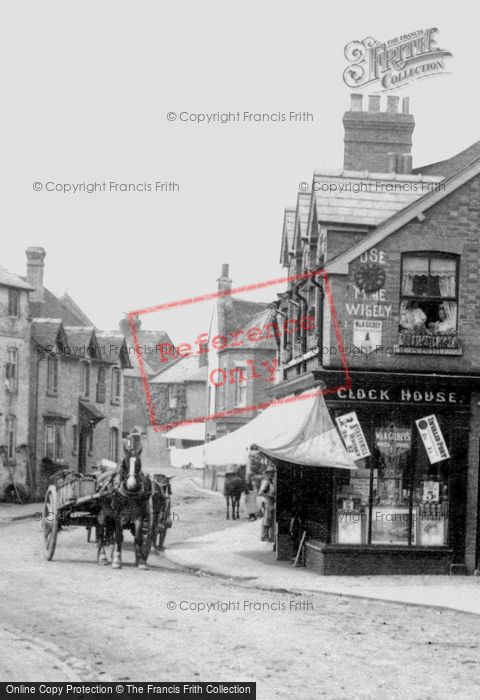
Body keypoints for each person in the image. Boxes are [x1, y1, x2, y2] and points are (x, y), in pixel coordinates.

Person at [258, 465, 276, 542]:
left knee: (269, 519)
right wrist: (271, 496)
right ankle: (264, 535)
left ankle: (268, 536)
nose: (272, 474)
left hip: (271, 502)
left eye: (273, 472)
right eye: (270, 473)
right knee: (266, 518)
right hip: (267, 502)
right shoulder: (266, 482)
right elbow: (261, 492)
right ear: (267, 473)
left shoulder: (271, 481)